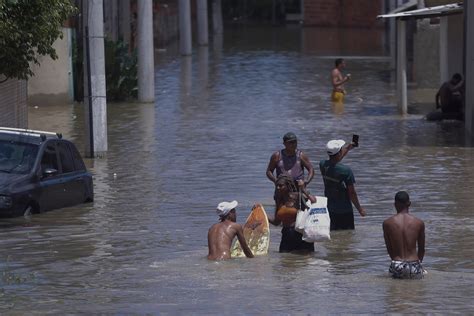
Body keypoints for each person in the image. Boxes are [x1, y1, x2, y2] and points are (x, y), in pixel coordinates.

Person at [319, 139, 366, 230]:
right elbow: (352, 193)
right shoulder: (346, 171)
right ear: (340, 152)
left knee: (333, 235)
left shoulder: (322, 165)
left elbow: (334, 160)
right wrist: (360, 209)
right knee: (347, 237)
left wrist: (348, 148)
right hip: (344, 210)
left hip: (330, 209)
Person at [268, 174, 316, 253]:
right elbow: (276, 222)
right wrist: (261, 213)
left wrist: (303, 188)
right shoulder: (279, 200)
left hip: (301, 235)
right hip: (286, 235)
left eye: (281, 186)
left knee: (303, 263)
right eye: (277, 185)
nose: (278, 188)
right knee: (285, 261)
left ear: (288, 186)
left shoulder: (298, 197)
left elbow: (313, 201)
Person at [383, 191, 425, 279]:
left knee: (395, 291)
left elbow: (389, 248)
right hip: (414, 263)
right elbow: (421, 248)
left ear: (394, 204)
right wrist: (418, 264)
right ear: (409, 203)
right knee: (416, 291)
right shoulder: (419, 223)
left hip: (397, 263)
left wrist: (396, 262)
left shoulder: (387, 223)